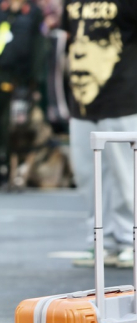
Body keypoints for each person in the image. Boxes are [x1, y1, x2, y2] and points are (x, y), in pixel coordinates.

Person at [63, 0, 137, 268]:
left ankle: (130, 241)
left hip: (123, 98)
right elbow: (70, 38)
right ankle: (101, 242)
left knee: (127, 176)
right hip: (82, 101)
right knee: (88, 176)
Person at [0, 0, 45, 187]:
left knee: (12, 129)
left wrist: (33, 83)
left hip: (18, 82)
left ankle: (8, 172)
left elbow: (38, 48)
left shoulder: (33, 12)